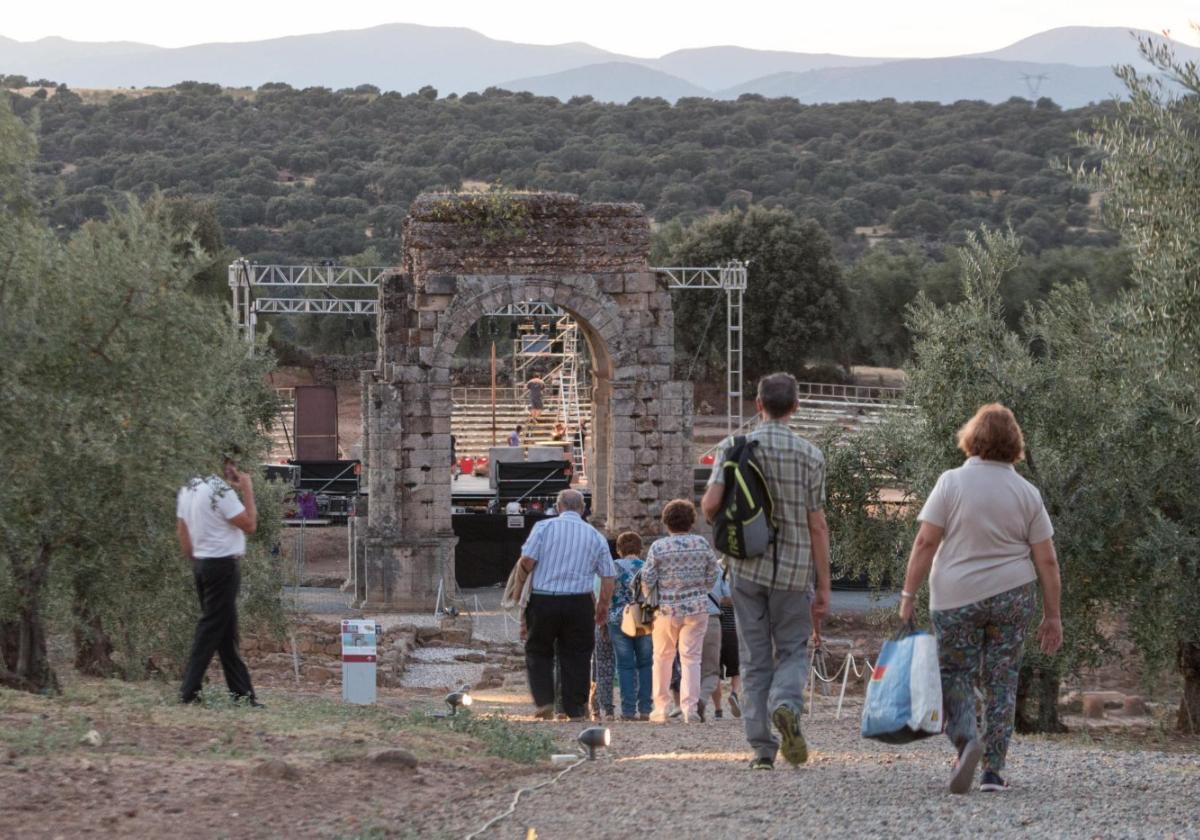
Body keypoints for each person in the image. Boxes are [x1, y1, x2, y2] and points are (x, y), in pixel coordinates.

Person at [898, 403, 1063, 794]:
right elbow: (1048, 560)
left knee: (955, 673)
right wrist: (1052, 615)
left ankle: (965, 740)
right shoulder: (1027, 492)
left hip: (955, 597)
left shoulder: (951, 482)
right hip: (1011, 597)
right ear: (1015, 444)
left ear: (971, 438)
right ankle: (992, 771)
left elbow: (925, 542)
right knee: (1002, 681)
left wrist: (908, 595)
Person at [702, 372, 831, 769]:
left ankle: (761, 749)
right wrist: (824, 585)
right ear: (795, 406)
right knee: (793, 648)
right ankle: (786, 704)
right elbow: (817, 525)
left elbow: (709, 506)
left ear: (757, 404)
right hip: (794, 573)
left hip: (746, 568)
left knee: (755, 657)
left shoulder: (733, 446)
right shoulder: (811, 455)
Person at [519, 489, 616, 720]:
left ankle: (544, 700)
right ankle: (575, 708)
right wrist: (602, 606)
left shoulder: (543, 528)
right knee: (578, 654)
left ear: (558, 506)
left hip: (544, 598)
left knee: (538, 650)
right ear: (583, 509)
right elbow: (608, 576)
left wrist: (521, 579)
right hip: (579, 602)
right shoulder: (595, 536)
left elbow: (528, 560)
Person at [177, 455, 260, 706]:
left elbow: (182, 530)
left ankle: (243, 696)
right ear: (224, 464)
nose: (234, 469)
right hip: (222, 565)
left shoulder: (189, 487)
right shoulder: (219, 491)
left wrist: (196, 559)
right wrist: (247, 488)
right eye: (232, 464)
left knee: (225, 633)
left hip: (202, 564)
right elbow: (250, 525)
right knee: (210, 629)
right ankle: (188, 691)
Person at [643, 499, 719, 724]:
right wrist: (700, 588)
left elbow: (647, 578)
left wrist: (652, 597)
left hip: (666, 609)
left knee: (662, 658)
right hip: (696, 607)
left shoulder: (659, 547)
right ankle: (690, 709)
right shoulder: (702, 543)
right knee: (692, 659)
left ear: (666, 522)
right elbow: (714, 572)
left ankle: (661, 707)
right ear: (691, 522)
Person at [609, 531, 652, 721]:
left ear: (619, 550)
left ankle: (627, 710)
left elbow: (607, 592)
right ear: (640, 549)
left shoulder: (613, 567)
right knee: (645, 663)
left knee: (625, 665)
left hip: (618, 618)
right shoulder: (647, 567)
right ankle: (645, 708)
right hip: (642, 617)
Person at [697, 562, 731, 721]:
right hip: (711, 618)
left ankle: (687, 705)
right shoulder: (717, 569)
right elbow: (729, 595)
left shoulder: (684, 563)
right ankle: (702, 699)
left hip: (685, 620)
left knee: (688, 664)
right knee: (711, 669)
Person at [711, 562, 743, 720]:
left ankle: (718, 710)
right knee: (736, 669)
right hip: (733, 630)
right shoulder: (740, 572)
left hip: (714, 627)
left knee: (715, 671)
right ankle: (734, 694)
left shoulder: (714, 569)